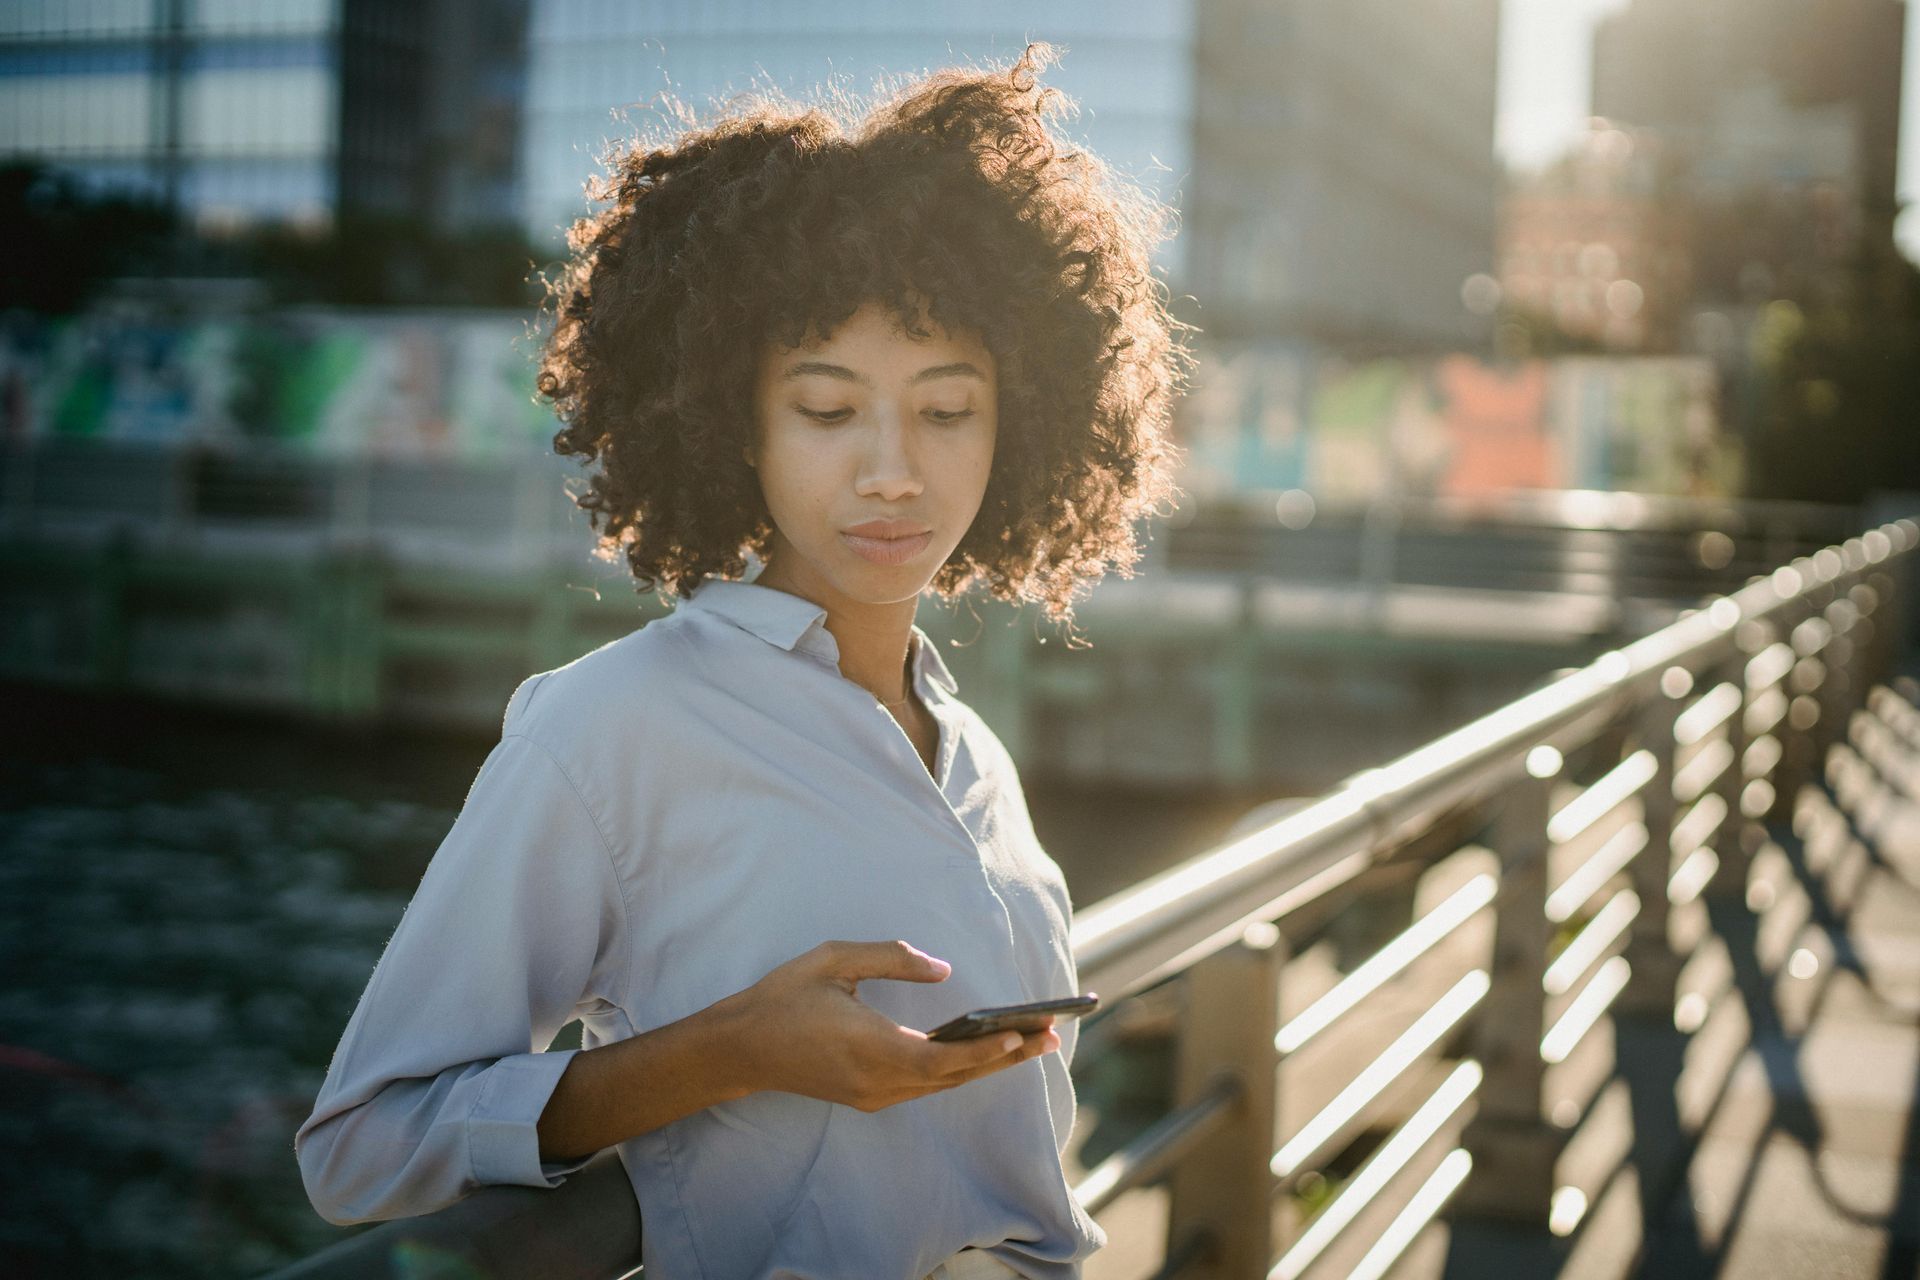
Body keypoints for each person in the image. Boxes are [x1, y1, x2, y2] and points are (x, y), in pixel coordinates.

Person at [294, 43, 1187, 1280]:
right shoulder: (608, 729)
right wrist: (729, 1050)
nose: (893, 468)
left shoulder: (972, 750)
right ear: (732, 424)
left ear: (1022, 420)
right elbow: (361, 1148)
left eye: (946, 408)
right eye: (827, 410)